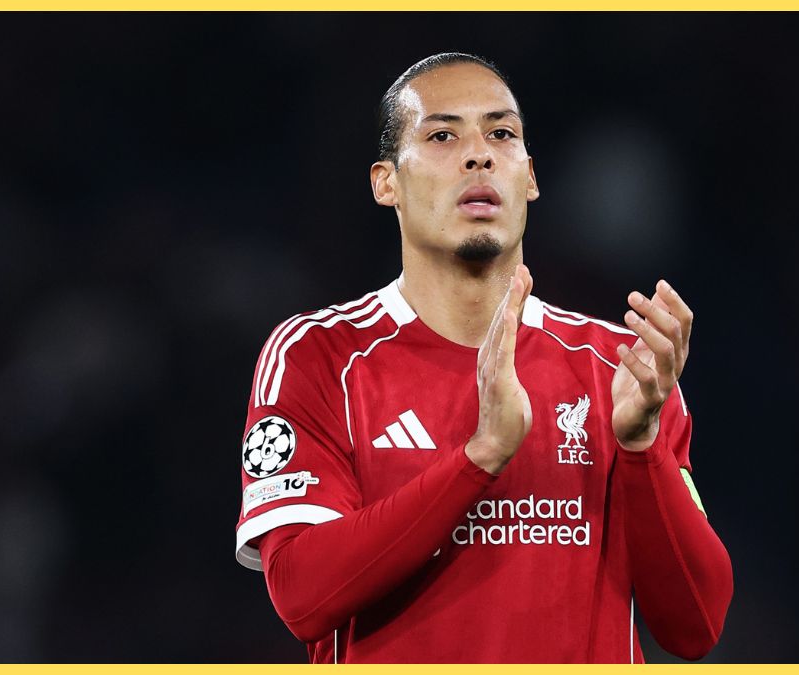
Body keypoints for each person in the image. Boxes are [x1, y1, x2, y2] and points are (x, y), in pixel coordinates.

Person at [233, 52, 733, 664]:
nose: (479, 154)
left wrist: (640, 448)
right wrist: (481, 457)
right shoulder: (320, 355)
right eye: (442, 135)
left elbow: (697, 626)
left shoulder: (620, 370)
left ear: (530, 178)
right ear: (385, 182)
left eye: (502, 134)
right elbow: (302, 595)